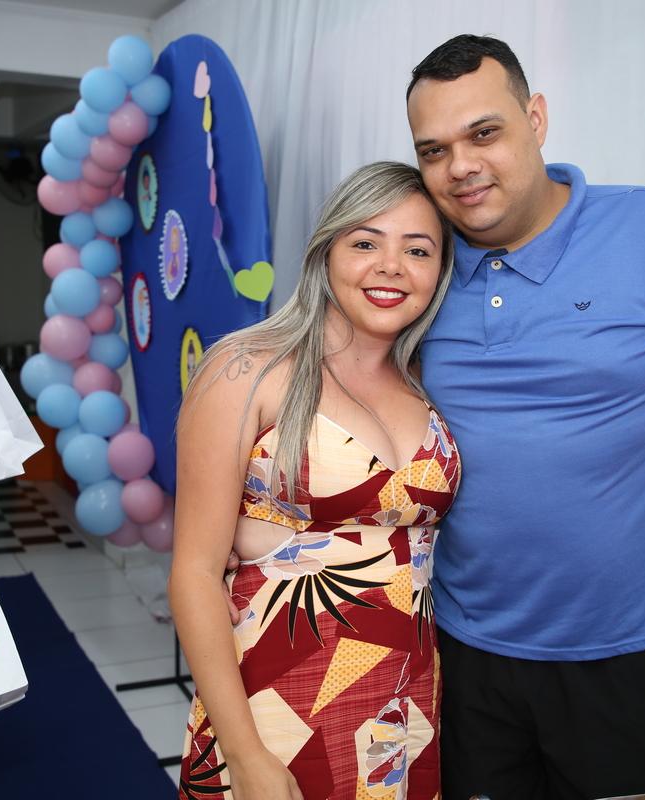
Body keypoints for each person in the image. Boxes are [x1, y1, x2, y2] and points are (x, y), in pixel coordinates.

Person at [405, 35, 645, 800]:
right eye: (435, 150)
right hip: (464, 658)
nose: (461, 166)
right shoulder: (420, 265)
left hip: (631, 660)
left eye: (484, 133)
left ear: (536, 118)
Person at [169, 161, 460, 800]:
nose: (391, 267)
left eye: (418, 250)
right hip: (275, 706)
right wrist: (243, 753)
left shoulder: (427, 382)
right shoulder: (246, 368)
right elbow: (193, 573)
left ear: (440, 269)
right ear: (326, 252)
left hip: (405, 705)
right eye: (365, 243)